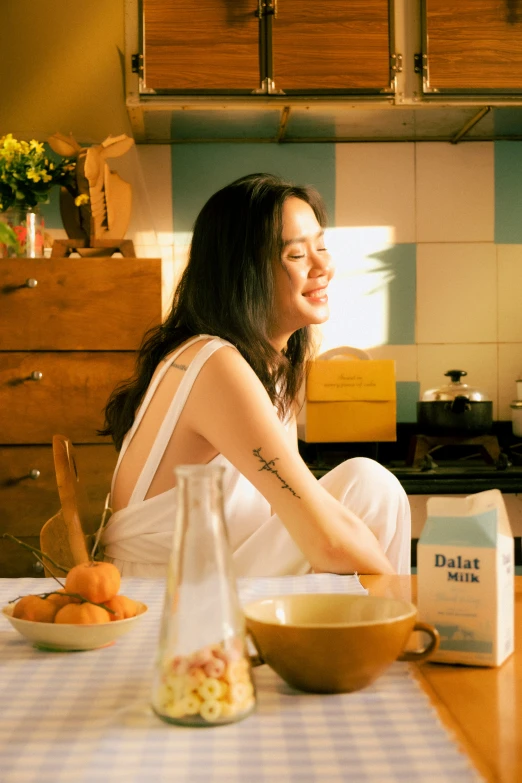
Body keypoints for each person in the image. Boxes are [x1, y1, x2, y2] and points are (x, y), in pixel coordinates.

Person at [100, 173, 411, 577]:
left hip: (213, 575)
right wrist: (408, 604)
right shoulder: (213, 363)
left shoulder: (266, 367)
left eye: (321, 246)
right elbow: (326, 541)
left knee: (367, 485)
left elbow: (301, 510)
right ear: (243, 273)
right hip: (165, 596)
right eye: (297, 256)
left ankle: (379, 630)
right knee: (368, 488)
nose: (324, 266)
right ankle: (398, 629)